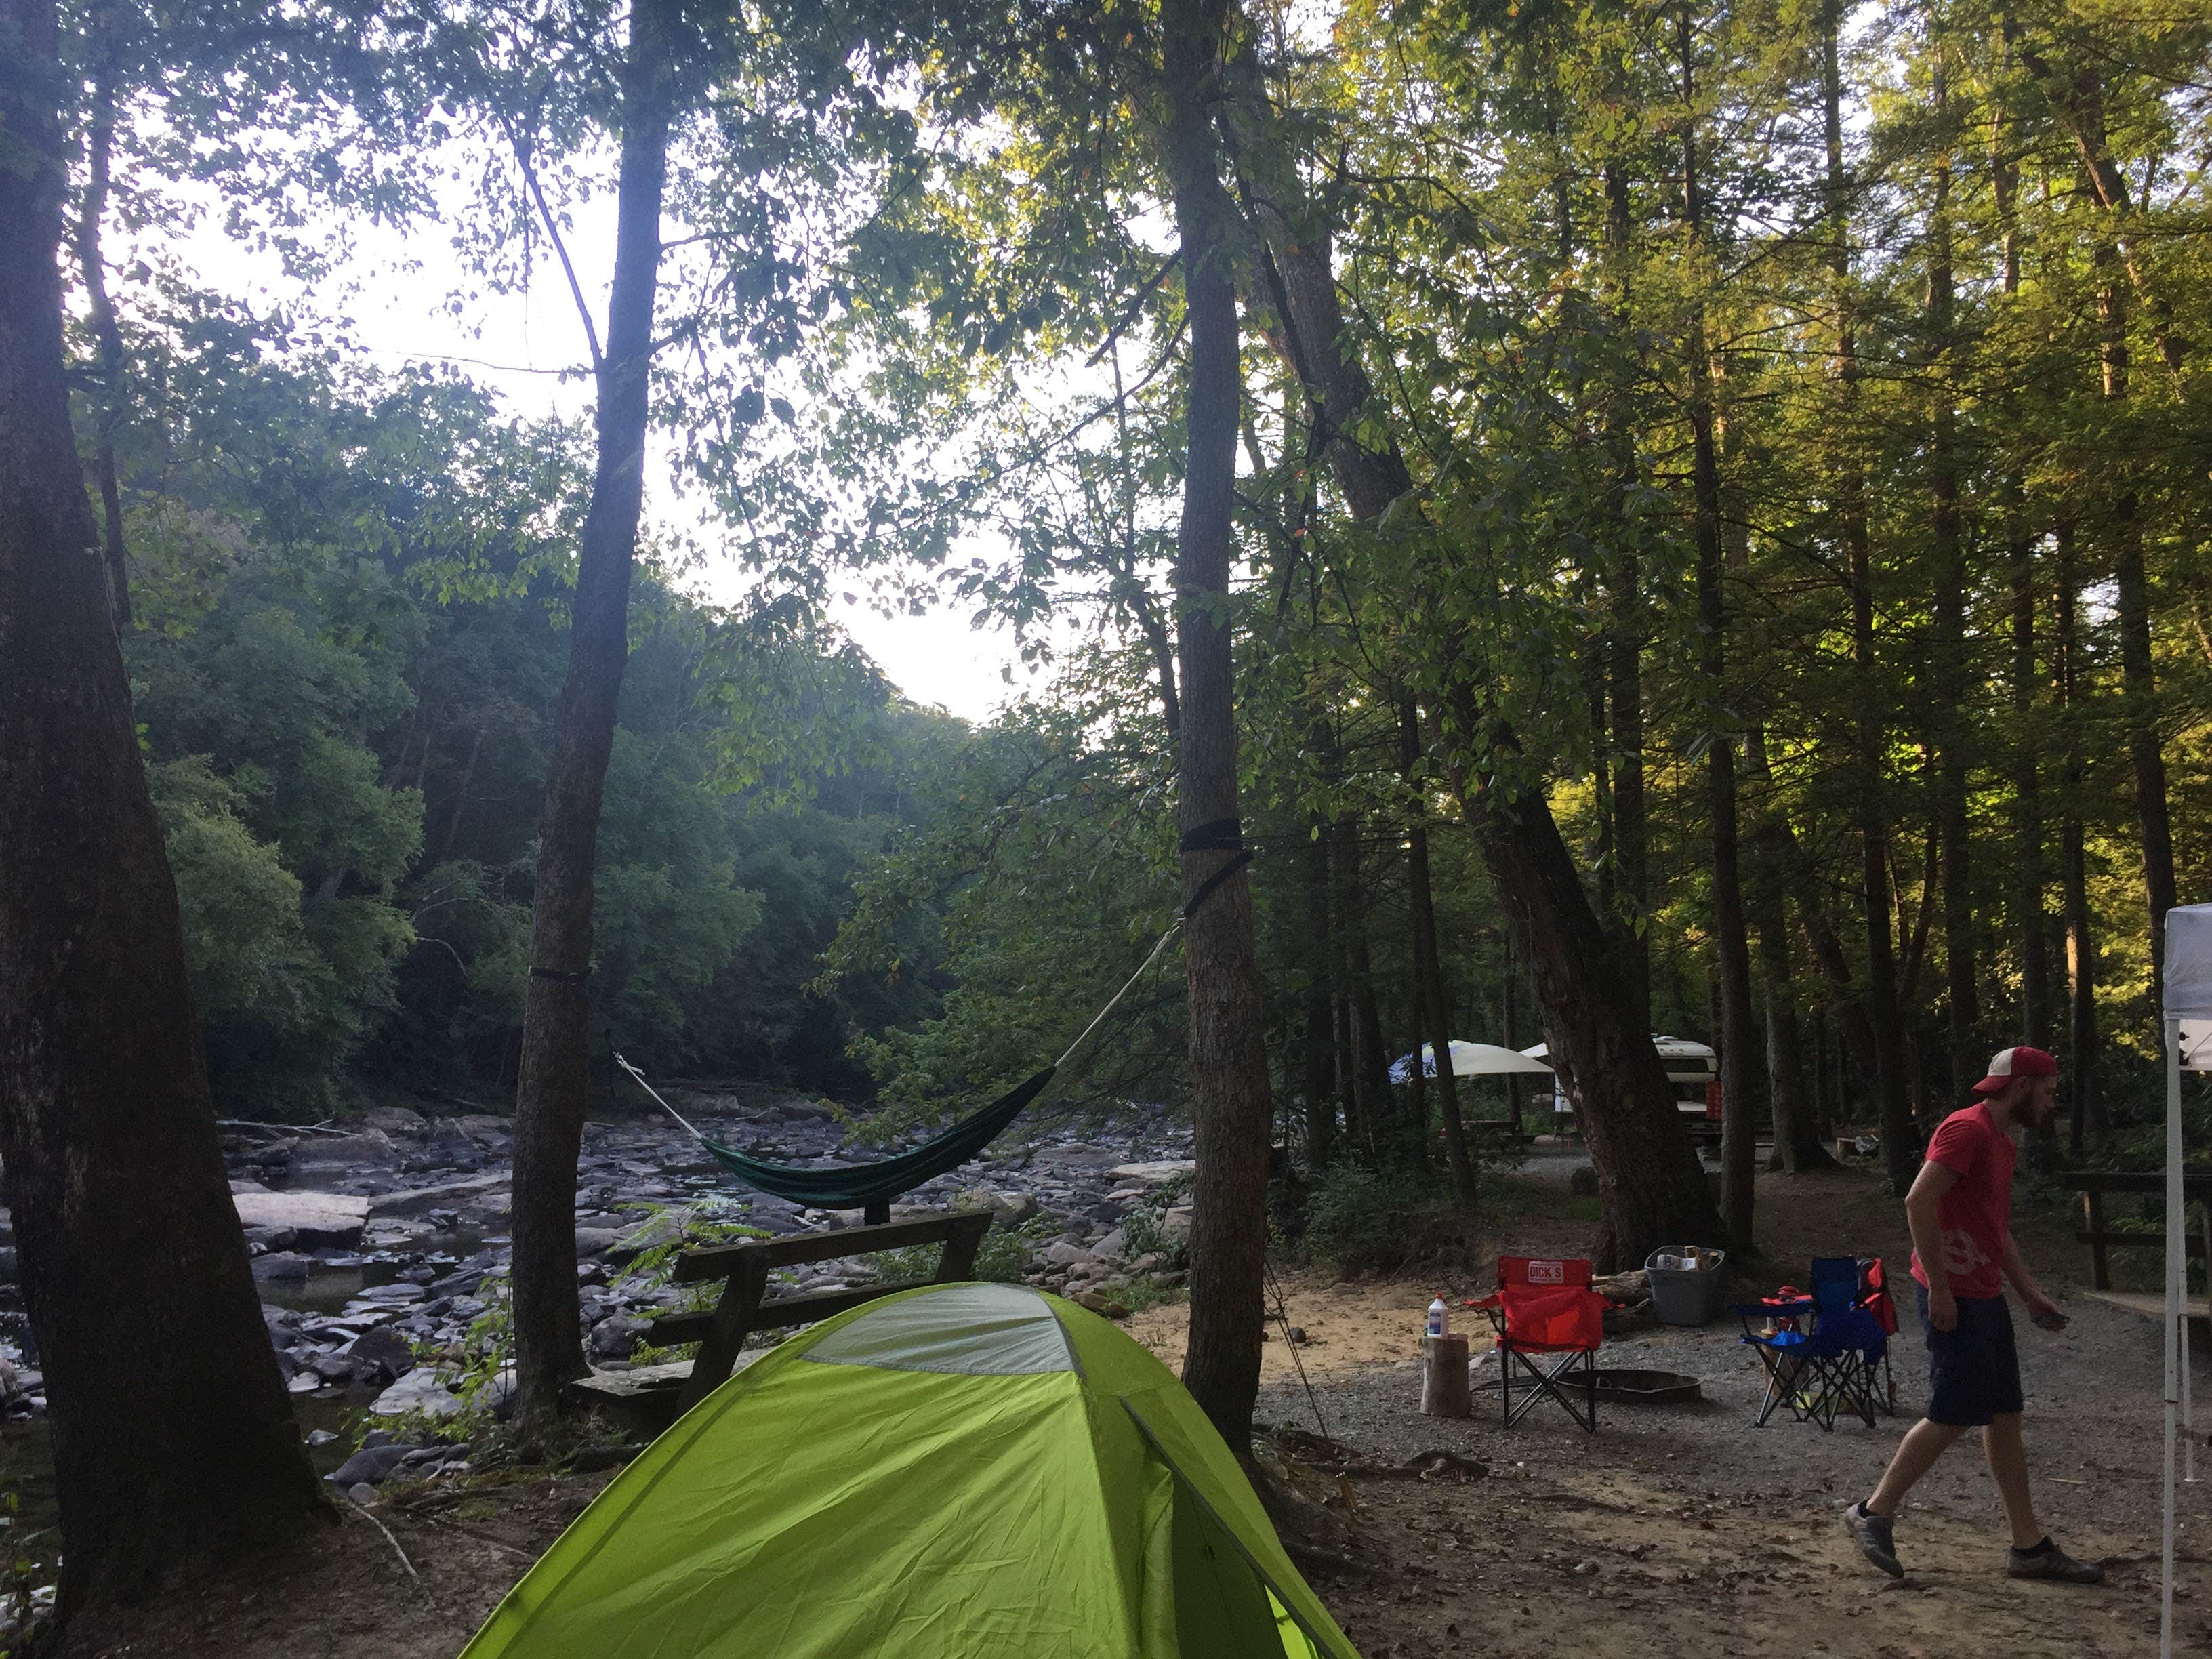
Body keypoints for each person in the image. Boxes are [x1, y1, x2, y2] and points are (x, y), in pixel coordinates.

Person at [1843, 1045, 2105, 1584]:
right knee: (1953, 1413)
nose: (2054, 1103)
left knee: (2005, 1414)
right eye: (2050, 1091)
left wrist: (2029, 1293)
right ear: (2022, 1085)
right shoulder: (1967, 1130)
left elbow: (1994, 1226)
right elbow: (1918, 1201)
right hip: (1953, 1295)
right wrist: (1940, 1289)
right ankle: (1872, 1514)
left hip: (1983, 1295)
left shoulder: (2003, 1143)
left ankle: (2029, 1549)